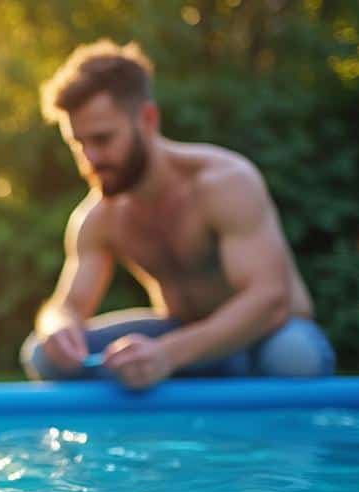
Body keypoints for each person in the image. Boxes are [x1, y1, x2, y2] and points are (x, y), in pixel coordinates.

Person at [22, 41, 335, 390]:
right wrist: (57, 329)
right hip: (182, 338)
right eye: (78, 144)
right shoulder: (98, 216)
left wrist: (168, 354)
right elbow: (66, 307)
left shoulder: (225, 182)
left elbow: (270, 302)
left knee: (295, 354)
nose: (90, 158)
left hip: (261, 339)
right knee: (42, 353)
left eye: (103, 139)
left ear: (148, 119)